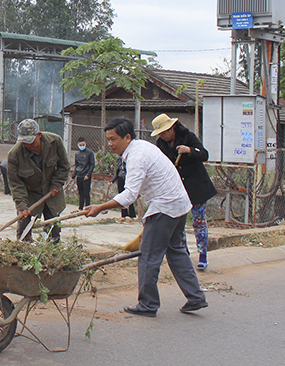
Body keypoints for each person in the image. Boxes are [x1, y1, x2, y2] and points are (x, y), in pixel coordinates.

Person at [84, 117, 208, 317]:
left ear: (127, 137)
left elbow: (130, 195)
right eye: (108, 139)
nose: (110, 144)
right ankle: (196, 297)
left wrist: (101, 207)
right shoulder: (141, 147)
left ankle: (148, 304)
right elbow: (143, 185)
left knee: (148, 257)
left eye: (114, 139)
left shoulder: (137, 156)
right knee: (176, 251)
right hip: (178, 204)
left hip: (165, 208)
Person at [151, 114, 217, 270]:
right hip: (178, 189)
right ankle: (184, 254)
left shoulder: (188, 136)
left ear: (172, 128)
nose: (163, 136)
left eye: (164, 132)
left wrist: (190, 150)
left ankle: (202, 255)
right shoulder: (161, 144)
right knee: (179, 224)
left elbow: (204, 154)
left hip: (196, 187)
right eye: (160, 134)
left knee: (199, 221)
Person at [7, 118, 70, 242]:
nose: (27, 145)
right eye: (24, 142)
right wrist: (22, 206)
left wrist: (57, 184)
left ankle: (52, 249)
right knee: (24, 227)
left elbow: (64, 166)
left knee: (53, 227)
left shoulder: (55, 142)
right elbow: (16, 184)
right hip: (30, 193)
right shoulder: (15, 154)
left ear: (39, 135)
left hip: (51, 192)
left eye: (30, 141)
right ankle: (23, 249)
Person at [73, 137, 95, 210]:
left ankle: (88, 207)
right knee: (80, 193)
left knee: (86, 193)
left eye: (83, 144)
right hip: (79, 175)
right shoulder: (77, 154)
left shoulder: (90, 153)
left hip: (86, 176)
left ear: (85, 144)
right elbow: (76, 165)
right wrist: (73, 176)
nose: (82, 146)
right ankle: (80, 207)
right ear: (78, 145)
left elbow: (92, 164)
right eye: (80, 145)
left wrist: (88, 175)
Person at [111, 156, 136, 222]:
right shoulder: (119, 160)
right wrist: (112, 180)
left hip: (128, 180)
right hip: (120, 179)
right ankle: (124, 216)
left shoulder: (131, 159)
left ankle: (131, 216)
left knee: (129, 196)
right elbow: (117, 172)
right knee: (121, 197)